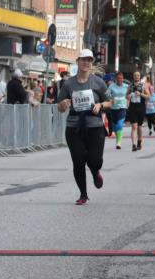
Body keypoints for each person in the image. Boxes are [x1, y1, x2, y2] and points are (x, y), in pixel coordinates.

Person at [57, 49, 113, 205]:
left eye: (89, 60)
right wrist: (63, 104)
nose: (86, 63)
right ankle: (83, 194)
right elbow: (59, 107)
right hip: (74, 127)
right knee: (78, 160)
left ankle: (95, 172)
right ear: (77, 61)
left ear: (92, 63)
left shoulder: (98, 82)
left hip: (94, 126)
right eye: (83, 60)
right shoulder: (68, 83)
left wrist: (100, 105)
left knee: (95, 160)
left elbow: (110, 102)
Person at [126, 70, 150, 151]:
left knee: (139, 126)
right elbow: (126, 95)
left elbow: (148, 96)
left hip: (141, 107)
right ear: (133, 76)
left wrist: (141, 94)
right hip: (132, 107)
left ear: (140, 77)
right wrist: (128, 96)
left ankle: (139, 141)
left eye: (138, 75)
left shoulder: (143, 85)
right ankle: (134, 144)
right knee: (134, 126)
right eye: (135, 75)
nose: (136, 77)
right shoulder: (130, 86)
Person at [107, 71, 129, 149]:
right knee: (115, 126)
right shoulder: (111, 86)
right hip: (113, 108)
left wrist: (128, 99)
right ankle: (118, 138)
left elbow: (129, 95)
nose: (120, 80)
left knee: (120, 124)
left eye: (122, 78)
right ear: (116, 79)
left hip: (122, 107)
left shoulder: (126, 86)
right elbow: (107, 94)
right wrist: (111, 98)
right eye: (119, 78)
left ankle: (119, 142)